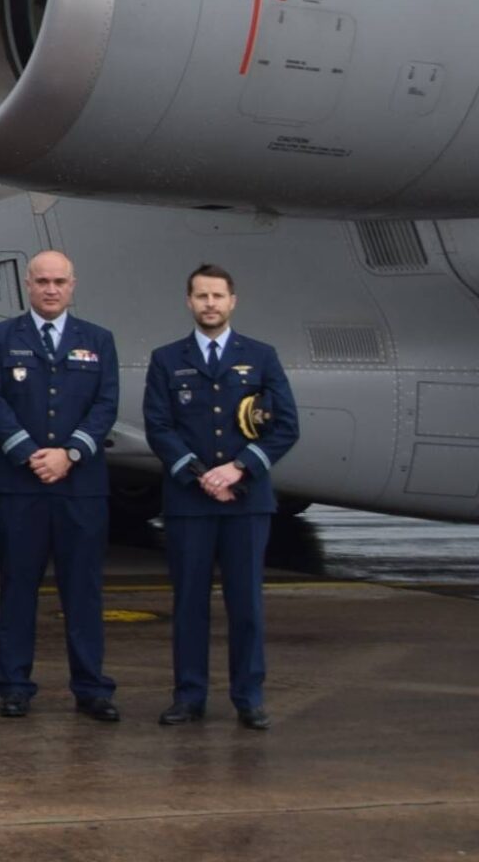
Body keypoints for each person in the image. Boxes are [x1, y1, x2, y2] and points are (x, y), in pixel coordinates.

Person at [144, 264, 300, 730]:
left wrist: (237, 468)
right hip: (190, 503)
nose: (209, 304)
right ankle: (189, 696)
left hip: (246, 501)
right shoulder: (167, 359)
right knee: (189, 602)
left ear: (233, 301)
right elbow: (160, 426)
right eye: (201, 296)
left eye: (217, 296)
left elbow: (285, 426)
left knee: (245, 604)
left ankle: (248, 696)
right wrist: (199, 475)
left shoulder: (262, 357)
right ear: (188, 303)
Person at [0, 249, 120, 722]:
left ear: (73, 285)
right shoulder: (0, 338)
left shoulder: (98, 339)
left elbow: (106, 404)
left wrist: (71, 452)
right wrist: (28, 453)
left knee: (83, 590)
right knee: (18, 587)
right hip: (21, 485)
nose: (51, 289)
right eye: (42, 281)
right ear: (28, 284)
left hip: (80, 486)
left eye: (59, 281)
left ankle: (91, 687)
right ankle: (15, 685)